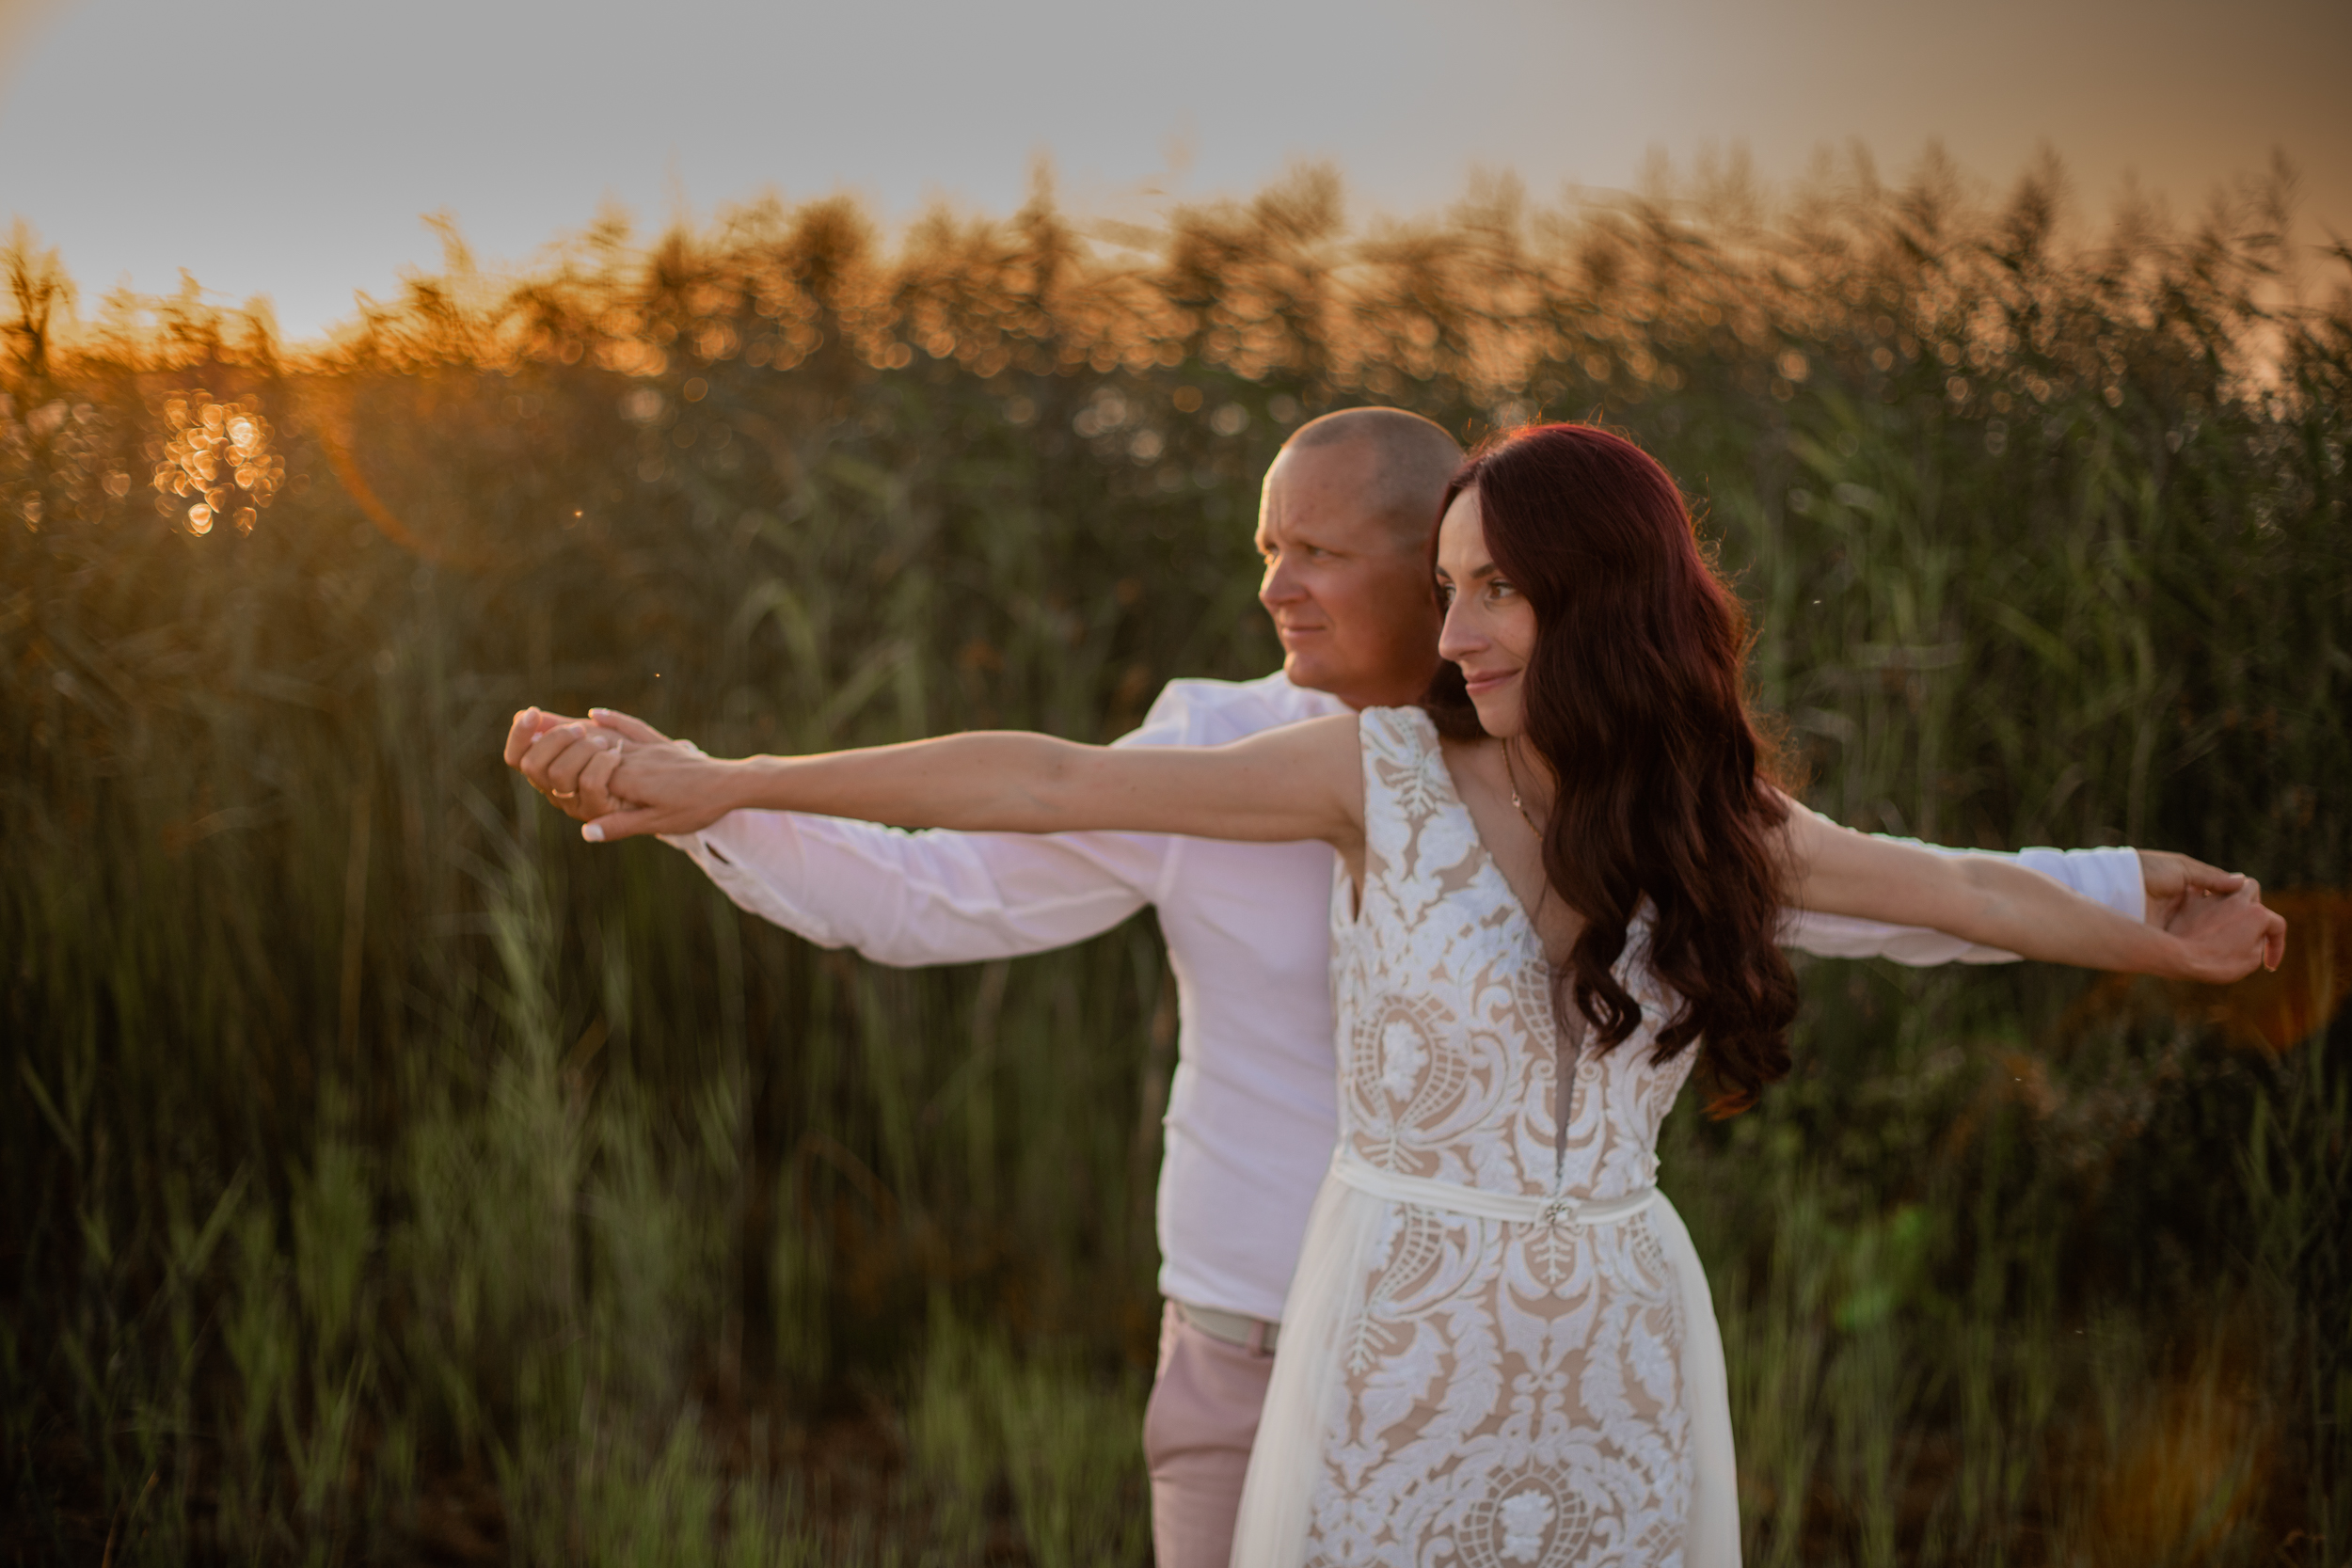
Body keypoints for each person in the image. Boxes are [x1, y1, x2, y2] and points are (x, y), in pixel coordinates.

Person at [509, 408, 2268, 1568]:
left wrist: (2127, 895)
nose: (1280, 587)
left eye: (1348, 559)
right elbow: (996, 824)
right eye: (1272, 549)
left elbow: (1911, 887)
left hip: (1591, 1354)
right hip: (1310, 1342)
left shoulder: (1680, 806)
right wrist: (723, 788)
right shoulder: (1288, 762)